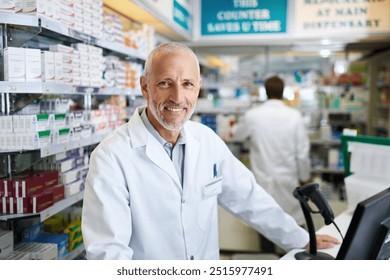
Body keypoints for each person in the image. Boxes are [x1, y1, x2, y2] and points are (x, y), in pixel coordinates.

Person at [81, 42, 339, 260]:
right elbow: (108, 253)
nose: (178, 97)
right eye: (165, 83)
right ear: (145, 86)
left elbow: (249, 198)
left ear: (199, 85)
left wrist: (302, 239)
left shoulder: (205, 140)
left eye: (188, 84)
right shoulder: (111, 157)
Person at [234, 76, 311, 227]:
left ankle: (267, 251)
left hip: (262, 179)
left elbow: (238, 135)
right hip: (288, 180)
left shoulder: (253, 115)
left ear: (265, 92)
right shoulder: (294, 116)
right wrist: (304, 178)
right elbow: (302, 153)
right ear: (283, 92)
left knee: (264, 224)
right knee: (294, 227)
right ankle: (292, 251)